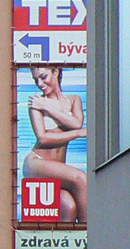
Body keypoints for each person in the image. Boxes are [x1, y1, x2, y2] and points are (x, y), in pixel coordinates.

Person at [23, 63, 87, 222]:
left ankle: (70, 239)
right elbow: (43, 138)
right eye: (35, 80)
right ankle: (92, 234)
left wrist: (48, 108)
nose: (40, 83)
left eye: (43, 77)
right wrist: (77, 134)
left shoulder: (74, 100)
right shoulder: (36, 103)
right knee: (81, 179)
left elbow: (77, 123)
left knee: (69, 207)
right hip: (37, 162)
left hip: (57, 168)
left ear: (56, 72)